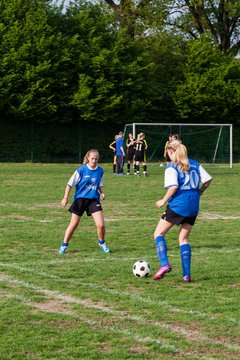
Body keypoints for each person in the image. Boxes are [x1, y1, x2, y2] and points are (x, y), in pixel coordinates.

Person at [153, 140, 212, 282]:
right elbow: (208, 180)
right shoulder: (195, 164)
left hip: (179, 205)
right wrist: (199, 192)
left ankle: (164, 264)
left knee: (158, 233)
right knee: (183, 239)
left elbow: (173, 187)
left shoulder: (172, 167)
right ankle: (186, 274)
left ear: (171, 151)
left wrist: (163, 201)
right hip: (193, 205)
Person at [59, 149, 110, 254]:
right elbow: (69, 184)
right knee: (73, 225)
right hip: (80, 200)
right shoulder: (81, 170)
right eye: (92, 158)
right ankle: (64, 245)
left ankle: (102, 243)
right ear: (87, 158)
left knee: (101, 225)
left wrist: (102, 192)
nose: (94, 161)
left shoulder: (100, 171)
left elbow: (99, 184)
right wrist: (65, 198)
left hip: (93, 200)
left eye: (96, 159)